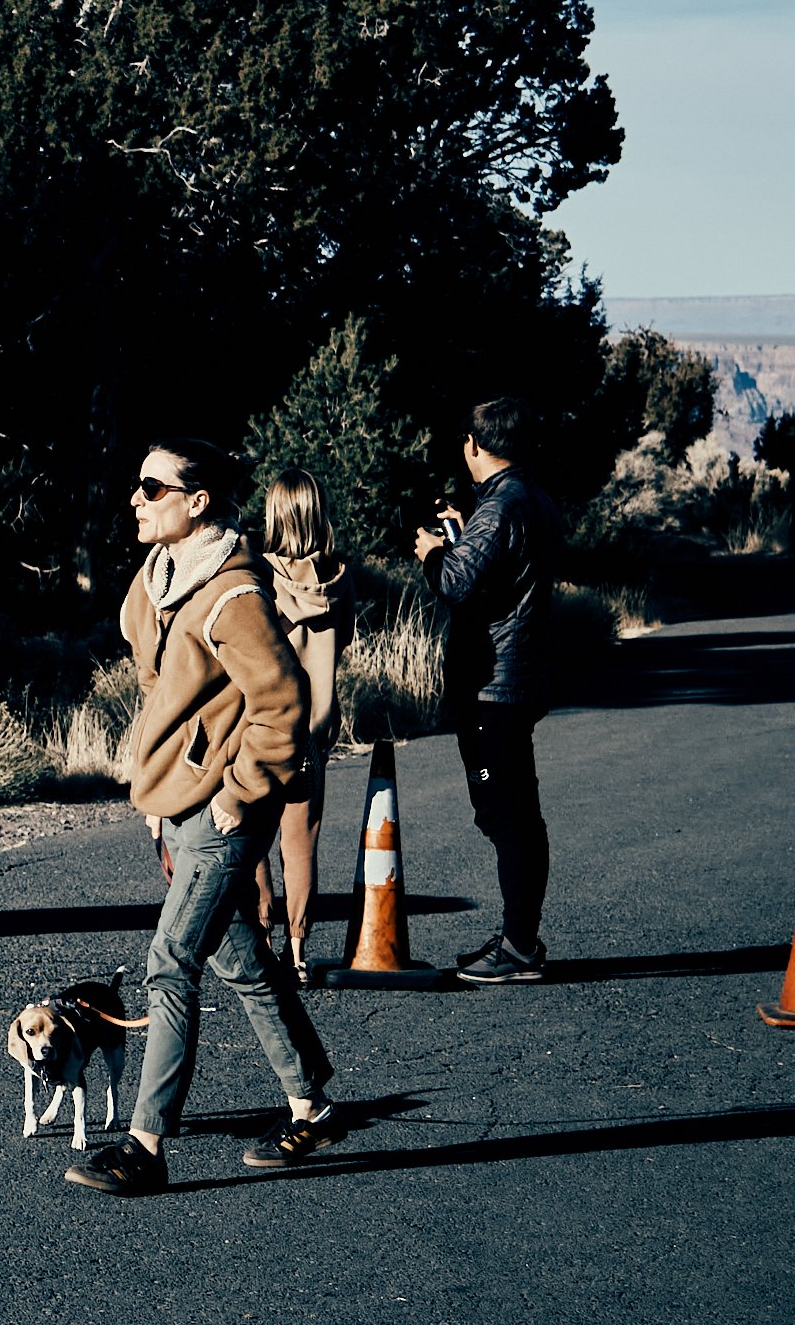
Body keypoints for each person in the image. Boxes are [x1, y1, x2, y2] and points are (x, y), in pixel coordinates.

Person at [66, 437, 343, 1196]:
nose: (137, 498)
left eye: (154, 488)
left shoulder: (232, 594)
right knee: (238, 960)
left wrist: (236, 790)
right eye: (138, 485)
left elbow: (282, 705)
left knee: (170, 960)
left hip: (224, 810)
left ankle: (146, 1146)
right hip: (181, 804)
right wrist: (163, 797)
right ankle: (312, 1103)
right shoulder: (160, 579)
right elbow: (168, 689)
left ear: (198, 503)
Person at [412, 396, 563, 984]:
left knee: (508, 815)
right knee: (515, 812)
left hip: (493, 685)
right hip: (519, 675)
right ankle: (520, 939)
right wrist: (460, 533)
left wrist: (434, 551)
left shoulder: (501, 506)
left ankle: (520, 946)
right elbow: (499, 574)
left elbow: (456, 583)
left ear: (474, 445)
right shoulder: (532, 499)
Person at [251, 469, 356, 984]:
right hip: (315, 730)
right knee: (301, 844)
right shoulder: (340, 576)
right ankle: (297, 950)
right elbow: (348, 637)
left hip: (267, 722)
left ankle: (263, 942)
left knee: (255, 841)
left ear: (275, 512)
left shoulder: (259, 574)